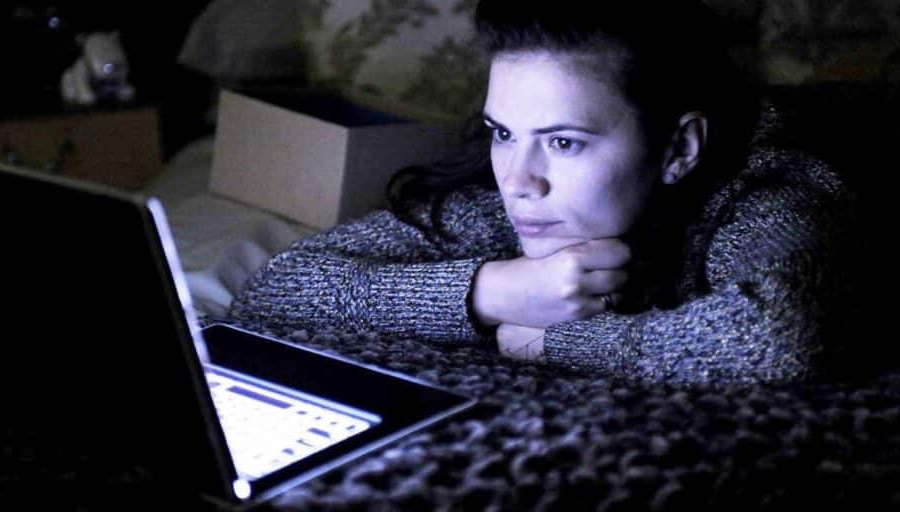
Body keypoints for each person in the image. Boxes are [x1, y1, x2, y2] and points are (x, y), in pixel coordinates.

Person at [226, 0, 859, 386]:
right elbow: (277, 286)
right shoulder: (513, 196)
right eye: (504, 132)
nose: (518, 181)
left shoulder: (770, 186)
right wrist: (494, 292)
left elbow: (781, 334)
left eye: (563, 142)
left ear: (678, 149)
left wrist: (543, 339)